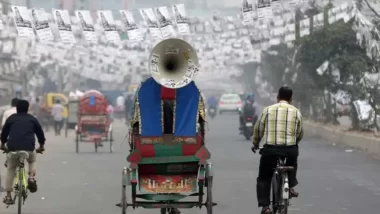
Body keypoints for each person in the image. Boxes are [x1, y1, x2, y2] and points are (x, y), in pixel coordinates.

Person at [251, 86, 303, 214]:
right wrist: (293, 142)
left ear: (277, 97)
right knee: (292, 162)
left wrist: (256, 143)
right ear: (291, 98)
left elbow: (258, 130)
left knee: (264, 177)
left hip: (270, 150)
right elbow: (300, 133)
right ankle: (290, 185)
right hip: (290, 150)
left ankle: (265, 207)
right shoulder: (296, 112)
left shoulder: (267, 110)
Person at [0, 100, 45, 205]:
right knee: (32, 160)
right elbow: (40, 134)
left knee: (11, 169)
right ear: (28, 108)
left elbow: (4, 134)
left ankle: (8, 196)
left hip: (12, 148)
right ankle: (31, 178)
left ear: (16, 108)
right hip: (29, 148)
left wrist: (2, 145)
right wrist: (41, 146)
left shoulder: (11, 118)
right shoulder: (32, 119)